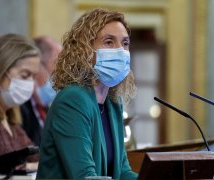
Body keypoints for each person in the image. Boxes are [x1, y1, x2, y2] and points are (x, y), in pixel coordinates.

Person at [36, 8, 138, 179]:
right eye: (108, 42)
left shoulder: (113, 102)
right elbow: (84, 176)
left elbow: (122, 172)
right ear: (84, 51)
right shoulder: (73, 99)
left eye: (125, 43)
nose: (120, 50)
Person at [0, 34, 40, 170]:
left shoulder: (12, 122)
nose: (30, 83)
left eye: (33, 77)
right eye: (25, 75)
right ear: (0, 71)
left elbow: (38, 158)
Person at [20, 36, 62, 146]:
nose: (59, 73)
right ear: (38, 66)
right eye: (56, 64)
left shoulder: (47, 109)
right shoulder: (19, 109)